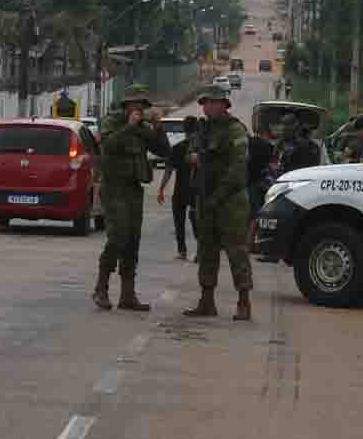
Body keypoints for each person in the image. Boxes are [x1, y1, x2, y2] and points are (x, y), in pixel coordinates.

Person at [93, 84, 169, 312]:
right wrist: (129, 126)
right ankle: (101, 287)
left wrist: (158, 128)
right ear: (125, 105)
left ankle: (128, 294)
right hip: (113, 187)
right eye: (134, 103)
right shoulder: (113, 122)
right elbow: (108, 146)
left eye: (142, 104)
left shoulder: (143, 126)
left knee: (133, 240)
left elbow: (164, 151)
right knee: (118, 236)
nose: (139, 108)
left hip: (134, 188)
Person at [184, 84, 254, 320]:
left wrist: (218, 196)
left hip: (230, 201)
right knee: (207, 251)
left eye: (213, 102)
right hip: (206, 198)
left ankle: (243, 301)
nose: (208, 107)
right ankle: (206, 301)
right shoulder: (203, 131)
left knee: (237, 252)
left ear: (224, 105)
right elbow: (190, 152)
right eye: (205, 103)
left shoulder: (235, 131)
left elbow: (238, 168)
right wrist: (193, 156)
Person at [158, 116, 199, 262]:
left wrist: (161, 189)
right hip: (197, 190)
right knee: (197, 219)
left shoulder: (178, 148)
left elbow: (168, 170)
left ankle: (182, 251)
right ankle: (200, 251)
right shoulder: (202, 149)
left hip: (180, 189)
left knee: (179, 221)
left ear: (184, 129)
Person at [247, 125, 276, 244]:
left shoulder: (248, 142)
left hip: (245, 182)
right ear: (266, 134)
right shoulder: (267, 146)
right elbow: (272, 166)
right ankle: (250, 243)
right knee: (256, 214)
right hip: (259, 183)